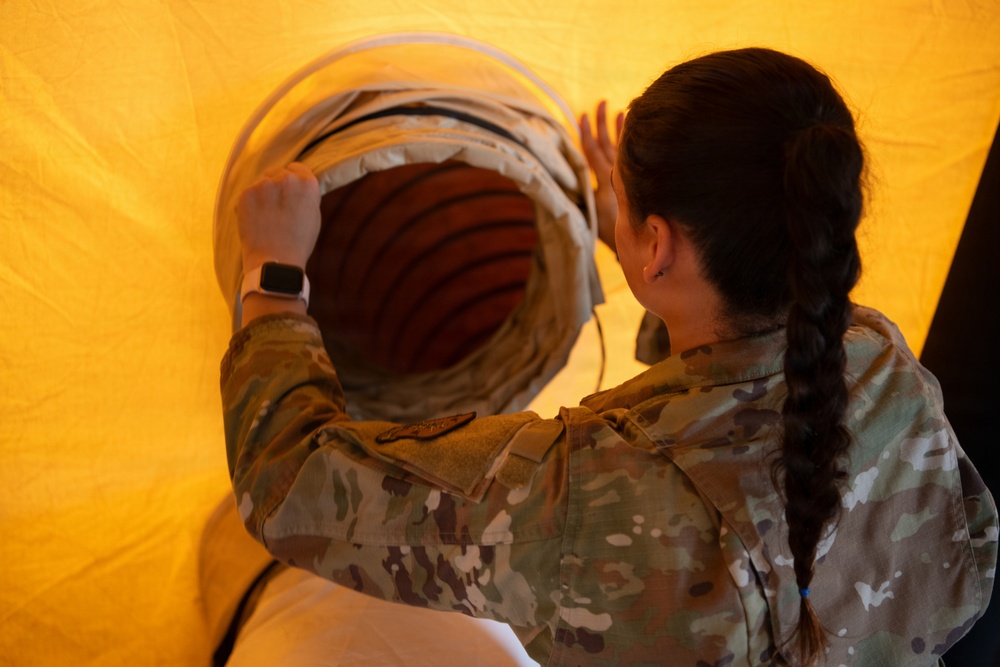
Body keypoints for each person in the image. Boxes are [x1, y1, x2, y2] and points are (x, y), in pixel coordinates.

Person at [219, 48, 997, 666]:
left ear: (658, 242)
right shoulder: (884, 365)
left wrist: (275, 277)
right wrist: (644, 256)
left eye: (629, 209)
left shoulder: (579, 494)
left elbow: (290, 485)